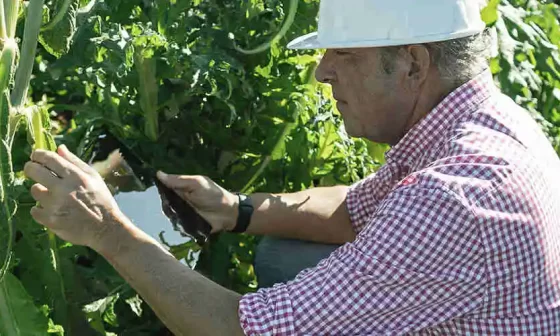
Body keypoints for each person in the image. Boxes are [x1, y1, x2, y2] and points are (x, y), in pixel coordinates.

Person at [23, 0, 560, 334]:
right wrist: (237, 210)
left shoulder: (459, 196)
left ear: (414, 64)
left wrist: (107, 231)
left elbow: (238, 331)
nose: (323, 73)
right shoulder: (477, 122)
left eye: (343, 55)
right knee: (282, 253)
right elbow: (355, 211)